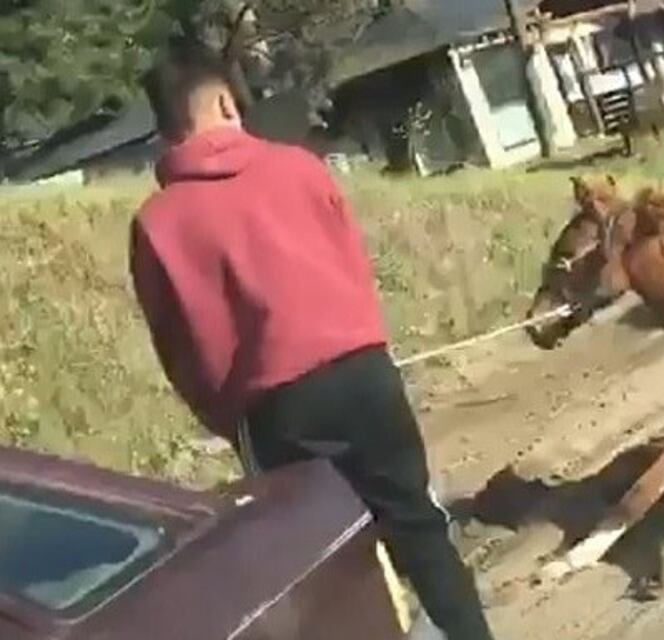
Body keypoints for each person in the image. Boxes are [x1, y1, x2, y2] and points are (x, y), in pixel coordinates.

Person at [130, 37, 494, 640]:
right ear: (224, 102)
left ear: (168, 128)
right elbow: (352, 265)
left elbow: (182, 353)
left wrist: (231, 420)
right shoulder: (300, 166)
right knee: (418, 526)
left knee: (324, 569)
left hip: (277, 409)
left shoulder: (157, 223)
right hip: (364, 371)